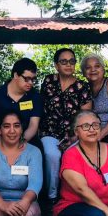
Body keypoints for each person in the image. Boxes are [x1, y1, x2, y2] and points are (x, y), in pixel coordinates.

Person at [40, 48, 92, 201]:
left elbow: (84, 116)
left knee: (72, 155)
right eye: (64, 62)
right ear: (56, 65)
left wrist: (74, 137)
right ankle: (52, 196)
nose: (68, 65)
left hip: (73, 134)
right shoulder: (49, 81)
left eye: (72, 61)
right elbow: (41, 106)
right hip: (49, 131)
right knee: (52, 155)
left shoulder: (82, 86)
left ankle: (72, 196)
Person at [0, 57, 43, 144]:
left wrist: (20, 143)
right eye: (27, 79)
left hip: (26, 141)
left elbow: (33, 125)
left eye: (33, 79)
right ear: (16, 75)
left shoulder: (35, 96)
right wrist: (5, 143)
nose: (30, 82)